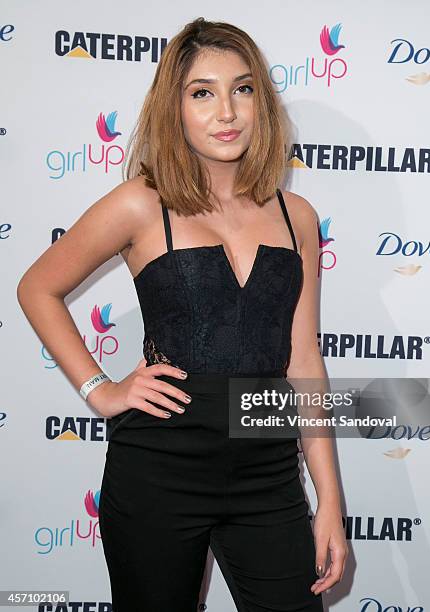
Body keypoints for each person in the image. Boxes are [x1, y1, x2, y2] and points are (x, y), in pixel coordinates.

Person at [17, 16, 347, 612]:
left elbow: (302, 357)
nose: (227, 111)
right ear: (175, 107)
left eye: (242, 89)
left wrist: (328, 499)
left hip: (267, 473)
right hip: (159, 470)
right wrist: (100, 389)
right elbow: (37, 287)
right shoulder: (140, 203)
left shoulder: (296, 214)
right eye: (203, 93)